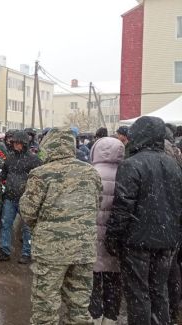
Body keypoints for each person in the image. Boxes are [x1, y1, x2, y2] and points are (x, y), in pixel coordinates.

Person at [19, 128, 102, 325]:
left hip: (51, 251)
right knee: (79, 306)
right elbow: (96, 205)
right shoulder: (91, 172)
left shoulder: (41, 174)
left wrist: (42, 227)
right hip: (83, 249)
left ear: (48, 146)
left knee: (45, 307)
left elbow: (28, 211)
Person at [105, 116, 182, 325]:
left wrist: (112, 237)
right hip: (167, 241)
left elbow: (123, 206)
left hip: (137, 241)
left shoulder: (132, 164)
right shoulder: (173, 165)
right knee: (159, 290)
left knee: (138, 292)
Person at [86, 136, 125, 324]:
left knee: (94, 279)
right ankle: (110, 316)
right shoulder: (126, 172)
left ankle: (94, 314)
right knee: (113, 280)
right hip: (115, 238)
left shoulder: (91, 173)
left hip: (94, 236)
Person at [0, 130, 41, 264]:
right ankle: (4, 250)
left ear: (24, 144)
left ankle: (27, 252)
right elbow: (4, 174)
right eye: (14, 143)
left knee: (27, 228)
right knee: (5, 224)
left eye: (18, 143)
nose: (15, 145)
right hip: (10, 197)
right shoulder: (10, 158)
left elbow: (40, 180)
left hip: (26, 199)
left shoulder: (34, 160)